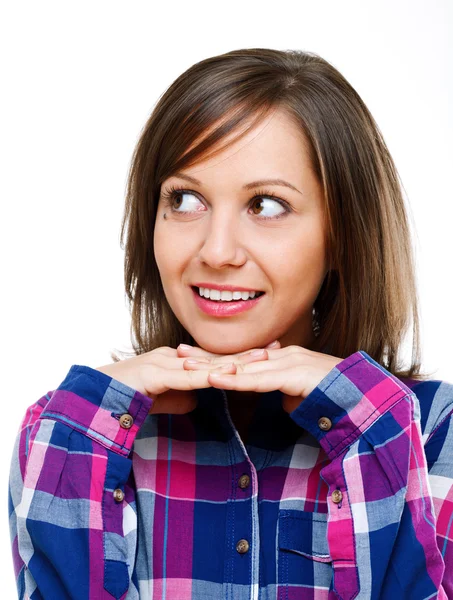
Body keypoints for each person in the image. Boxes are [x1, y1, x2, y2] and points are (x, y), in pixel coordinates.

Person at [8, 47, 452, 600]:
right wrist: (87, 426)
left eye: (266, 206)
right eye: (186, 199)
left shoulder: (430, 428)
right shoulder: (77, 434)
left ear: (342, 237)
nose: (216, 251)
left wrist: (364, 424)